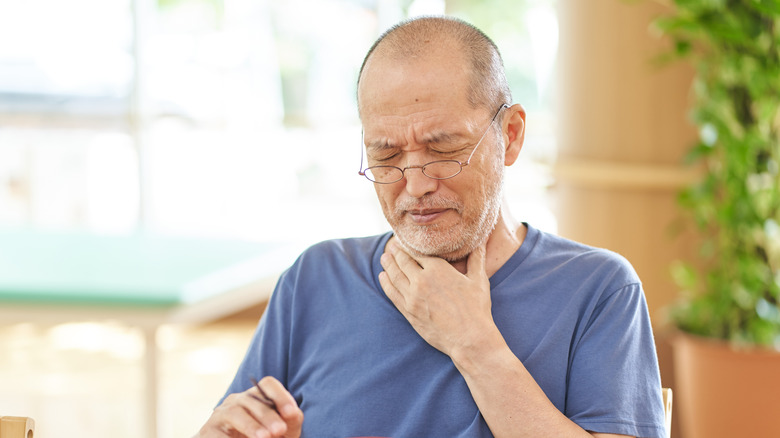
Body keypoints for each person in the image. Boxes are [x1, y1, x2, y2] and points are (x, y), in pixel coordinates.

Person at [196, 16, 666, 438]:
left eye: (443, 149)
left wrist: (475, 344)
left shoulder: (597, 289)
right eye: (385, 155)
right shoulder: (316, 278)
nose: (416, 184)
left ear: (512, 135)